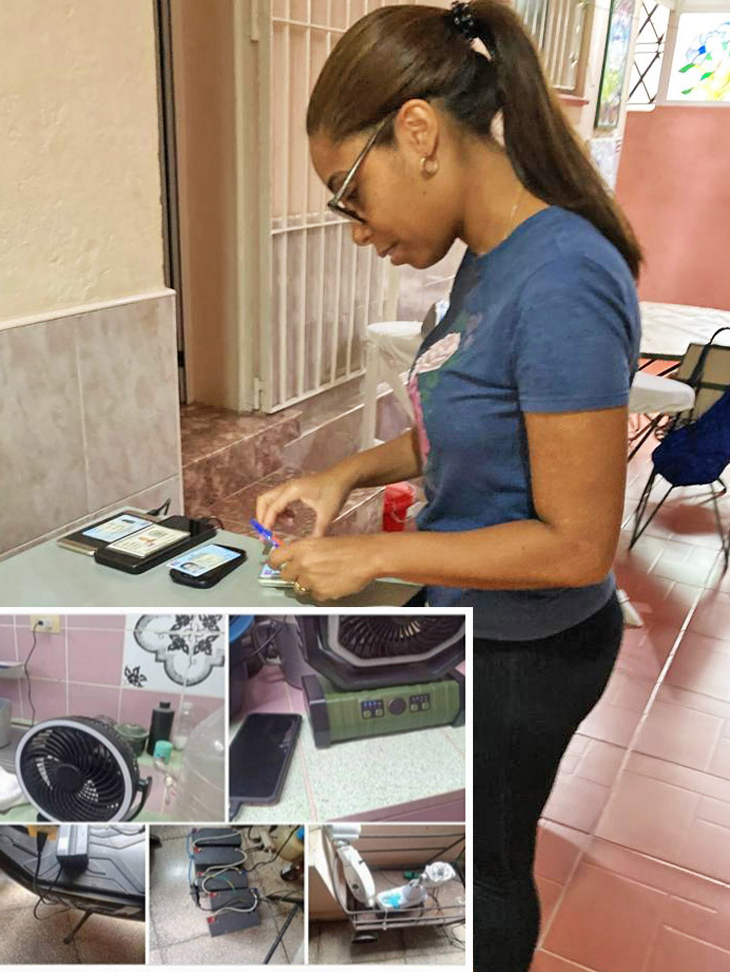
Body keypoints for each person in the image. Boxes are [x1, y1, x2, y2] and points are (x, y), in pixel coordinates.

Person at [256, 3, 641, 969]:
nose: (356, 229)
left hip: (531, 647)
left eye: (349, 191)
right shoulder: (489, 265)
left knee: (489, 870)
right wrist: (343, 473)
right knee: (420, 838)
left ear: (418, 132)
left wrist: (376, 553)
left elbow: (577, 540)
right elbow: (464, 428)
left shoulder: (562, 279)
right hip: (468, 613)